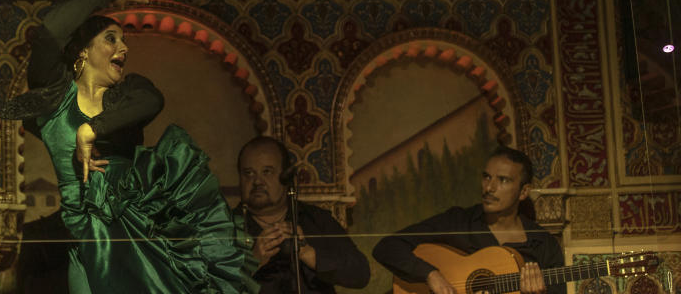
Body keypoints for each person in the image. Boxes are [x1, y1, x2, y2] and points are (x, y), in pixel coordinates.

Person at [1, 0, 243, 293]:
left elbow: (152, 100)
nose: (123, 48)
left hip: (132, 233)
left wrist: (91, 129)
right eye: (111, 39)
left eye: (124, 41)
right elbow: (51, 31)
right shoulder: (55, 95)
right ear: (83, 50)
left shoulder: (129, 93)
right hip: (82, 235)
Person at [372, 146, 564, 294]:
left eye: (503, 180)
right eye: (487, 177)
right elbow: (387, 247)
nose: (489, 187)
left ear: (523, 192)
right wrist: (430, 274)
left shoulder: (544, 244)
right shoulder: (457, 221)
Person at [235, 136, 370, 294]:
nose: (258, 181)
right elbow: (206, 287)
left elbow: (360, 274)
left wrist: (308, 254)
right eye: (249, 173)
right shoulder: (223, 226)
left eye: (267, 172)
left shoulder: (316, 219)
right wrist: (253, 262)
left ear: (285, 176)